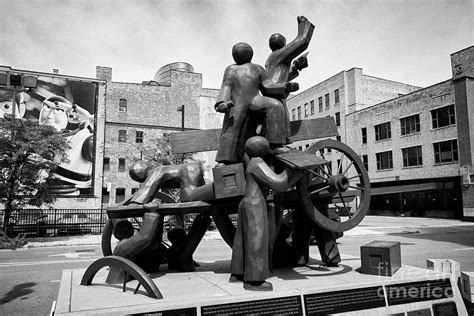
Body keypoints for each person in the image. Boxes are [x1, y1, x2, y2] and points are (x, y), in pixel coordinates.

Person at [229, 136, 304, 291]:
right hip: (255, 204)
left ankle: (237, 273)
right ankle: (254, 281)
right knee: (257, 239)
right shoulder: (257, 163)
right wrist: (296, 172)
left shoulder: (250, 161)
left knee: (242, 240)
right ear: (263, 149)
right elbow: (278, 183)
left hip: (246, 202)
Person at [215, 42, 298, 165]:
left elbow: (267, 86)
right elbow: (226, 86)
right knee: (232, 125)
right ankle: (225, 160)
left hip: (255, 99)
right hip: (236, 103)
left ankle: (275, 145)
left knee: (275, 105)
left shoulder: (257, 68)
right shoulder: (231, 69)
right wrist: (221, 102)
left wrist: (285, 87)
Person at [265, 15, 315, 139]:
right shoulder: (280, 54)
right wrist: (304, 24)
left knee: (279, 121)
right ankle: (279, 140)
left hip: (273, 90)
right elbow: (302, 41)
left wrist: (296, 67)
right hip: (277, 92)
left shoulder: (270, 59)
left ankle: (280, 139)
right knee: (279, 122)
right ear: (284, 44)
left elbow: (279, 75)